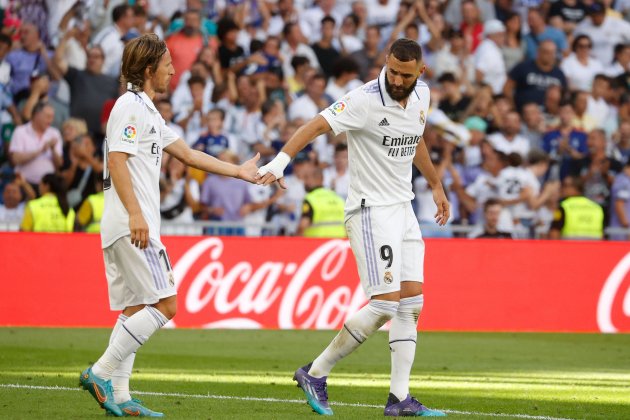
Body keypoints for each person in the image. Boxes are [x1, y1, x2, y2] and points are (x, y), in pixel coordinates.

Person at [256, 38, 449, 417]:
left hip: (404, 209)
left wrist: (436, 184)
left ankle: (399, 398)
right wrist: (280, 162)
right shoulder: (363, 99)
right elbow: (314, 126)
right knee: (383, 304)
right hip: (370, 211)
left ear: (420, 73)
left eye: (404, 74)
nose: (395, 78)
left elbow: (415, 139)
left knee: (411, 304)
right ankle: (316, 372)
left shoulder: (422, 95)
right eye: (391, 69)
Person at [78, 34, 259, 417]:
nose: (173, 71)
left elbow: (189, 154)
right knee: (166, 303)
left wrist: (239, 171)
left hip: (125, 223)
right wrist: (136, 214)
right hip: (133, 224)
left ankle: (122, 397)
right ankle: (101, 372)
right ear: (148, 71)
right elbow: (118, 162)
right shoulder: (129, 106)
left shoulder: (147, 111)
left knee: (134, 307)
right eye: (167, 65)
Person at [298, 165, 346, 237]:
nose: (304, 182)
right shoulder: (337, 198)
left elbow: (303, 225)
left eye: (306, 178)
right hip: (338, 243)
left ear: (315, 178)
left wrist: (296, 239)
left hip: (318, 243)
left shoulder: (310, 199)